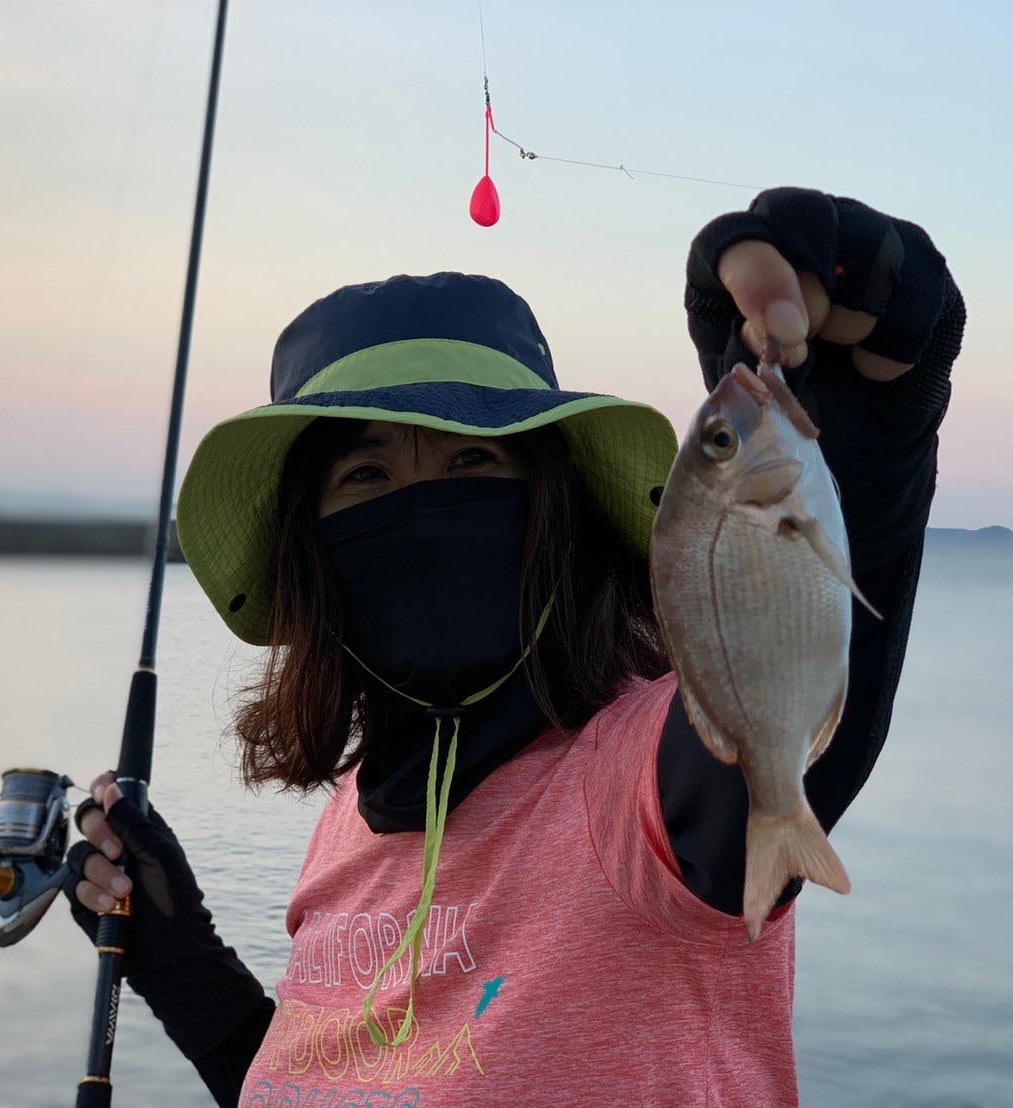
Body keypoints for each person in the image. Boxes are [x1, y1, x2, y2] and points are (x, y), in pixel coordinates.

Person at [63, 187, 965, 1106]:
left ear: (555, 512)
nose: (423, 511)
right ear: (311, 552)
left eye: (473, 462)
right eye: (365, 473)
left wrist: (863, 423)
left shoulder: (638, 784)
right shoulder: (349, 818)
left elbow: (769, 714)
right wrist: (183, 966)